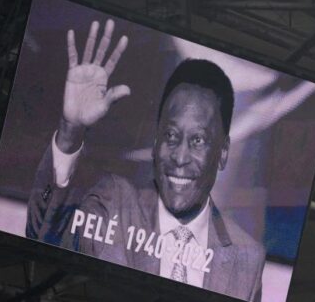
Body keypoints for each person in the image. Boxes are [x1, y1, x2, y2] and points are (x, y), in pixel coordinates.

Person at [26, 19, 265, 301]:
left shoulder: (247, 258)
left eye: (198, 140)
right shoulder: (113, 202)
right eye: (171, 136)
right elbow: (43, 234)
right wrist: (71, 130)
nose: (179, 156)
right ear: (154, 143)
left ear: (223, 152)